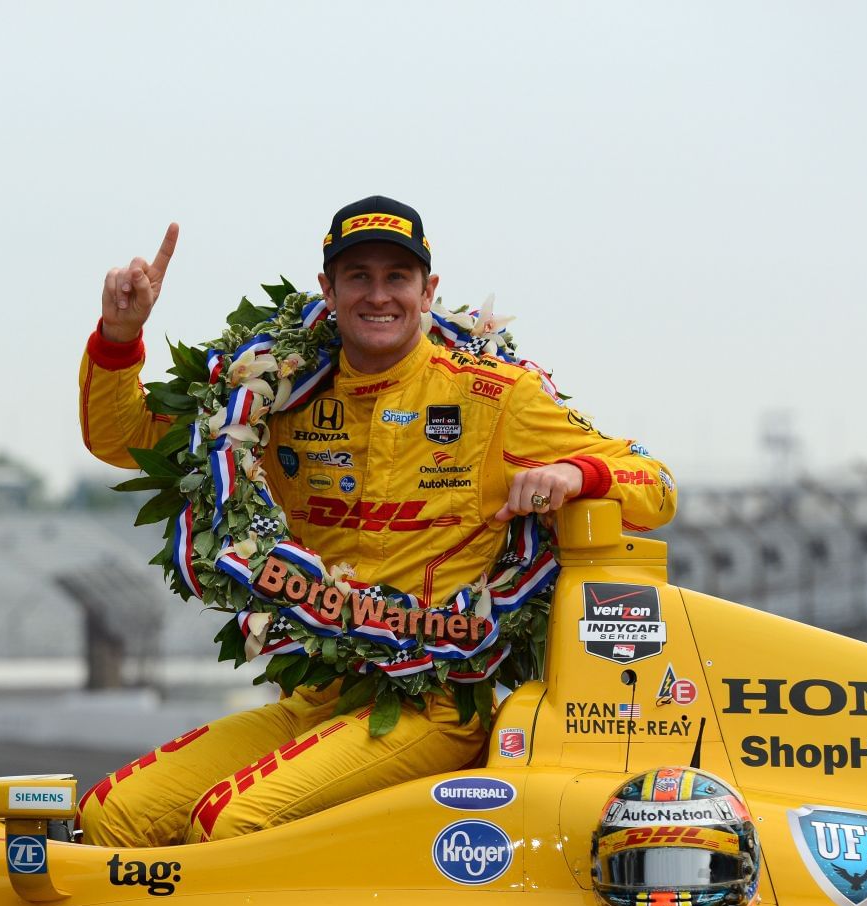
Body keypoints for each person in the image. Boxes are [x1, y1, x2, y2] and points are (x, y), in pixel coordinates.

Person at [76, 196, 676, 848]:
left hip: (434, 706)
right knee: (112, 817)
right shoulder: (277, 391)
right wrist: (118, 337)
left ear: (428, 291)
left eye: (397, 277)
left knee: (230, 823)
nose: (378, 295)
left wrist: (575, 475)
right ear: (327, 290)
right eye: (358, 276)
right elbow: (127, 439)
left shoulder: (495, 394)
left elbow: (657, 485)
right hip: (316, 698)